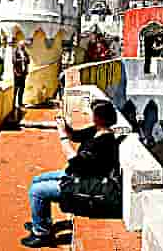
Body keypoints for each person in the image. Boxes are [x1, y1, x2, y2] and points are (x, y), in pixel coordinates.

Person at [20, 100, 120, 248]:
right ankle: (43, 223)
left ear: (99, 117)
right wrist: (65, 126)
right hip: (78, 175)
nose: (89, 115)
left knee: (37, 191)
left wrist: (62, 136)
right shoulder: (97, 130)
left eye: (92, 113)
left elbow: (75, 161)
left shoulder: (103, 142)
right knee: (37, 180)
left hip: (85, 183)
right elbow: (76, 135)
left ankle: (41, 234)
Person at [12, 40, 31, 119]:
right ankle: (13, 104)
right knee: (16, 88)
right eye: (22, 46)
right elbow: (14, 61)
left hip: (23, 73)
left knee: (22, 88)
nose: (23, 47)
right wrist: (22, 59)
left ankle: (20, 103)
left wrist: (25, 59)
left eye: (24, 46)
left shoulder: (25, 52)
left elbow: (28, 61)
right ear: (19, 45)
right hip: (17, 73)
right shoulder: (15, 51)